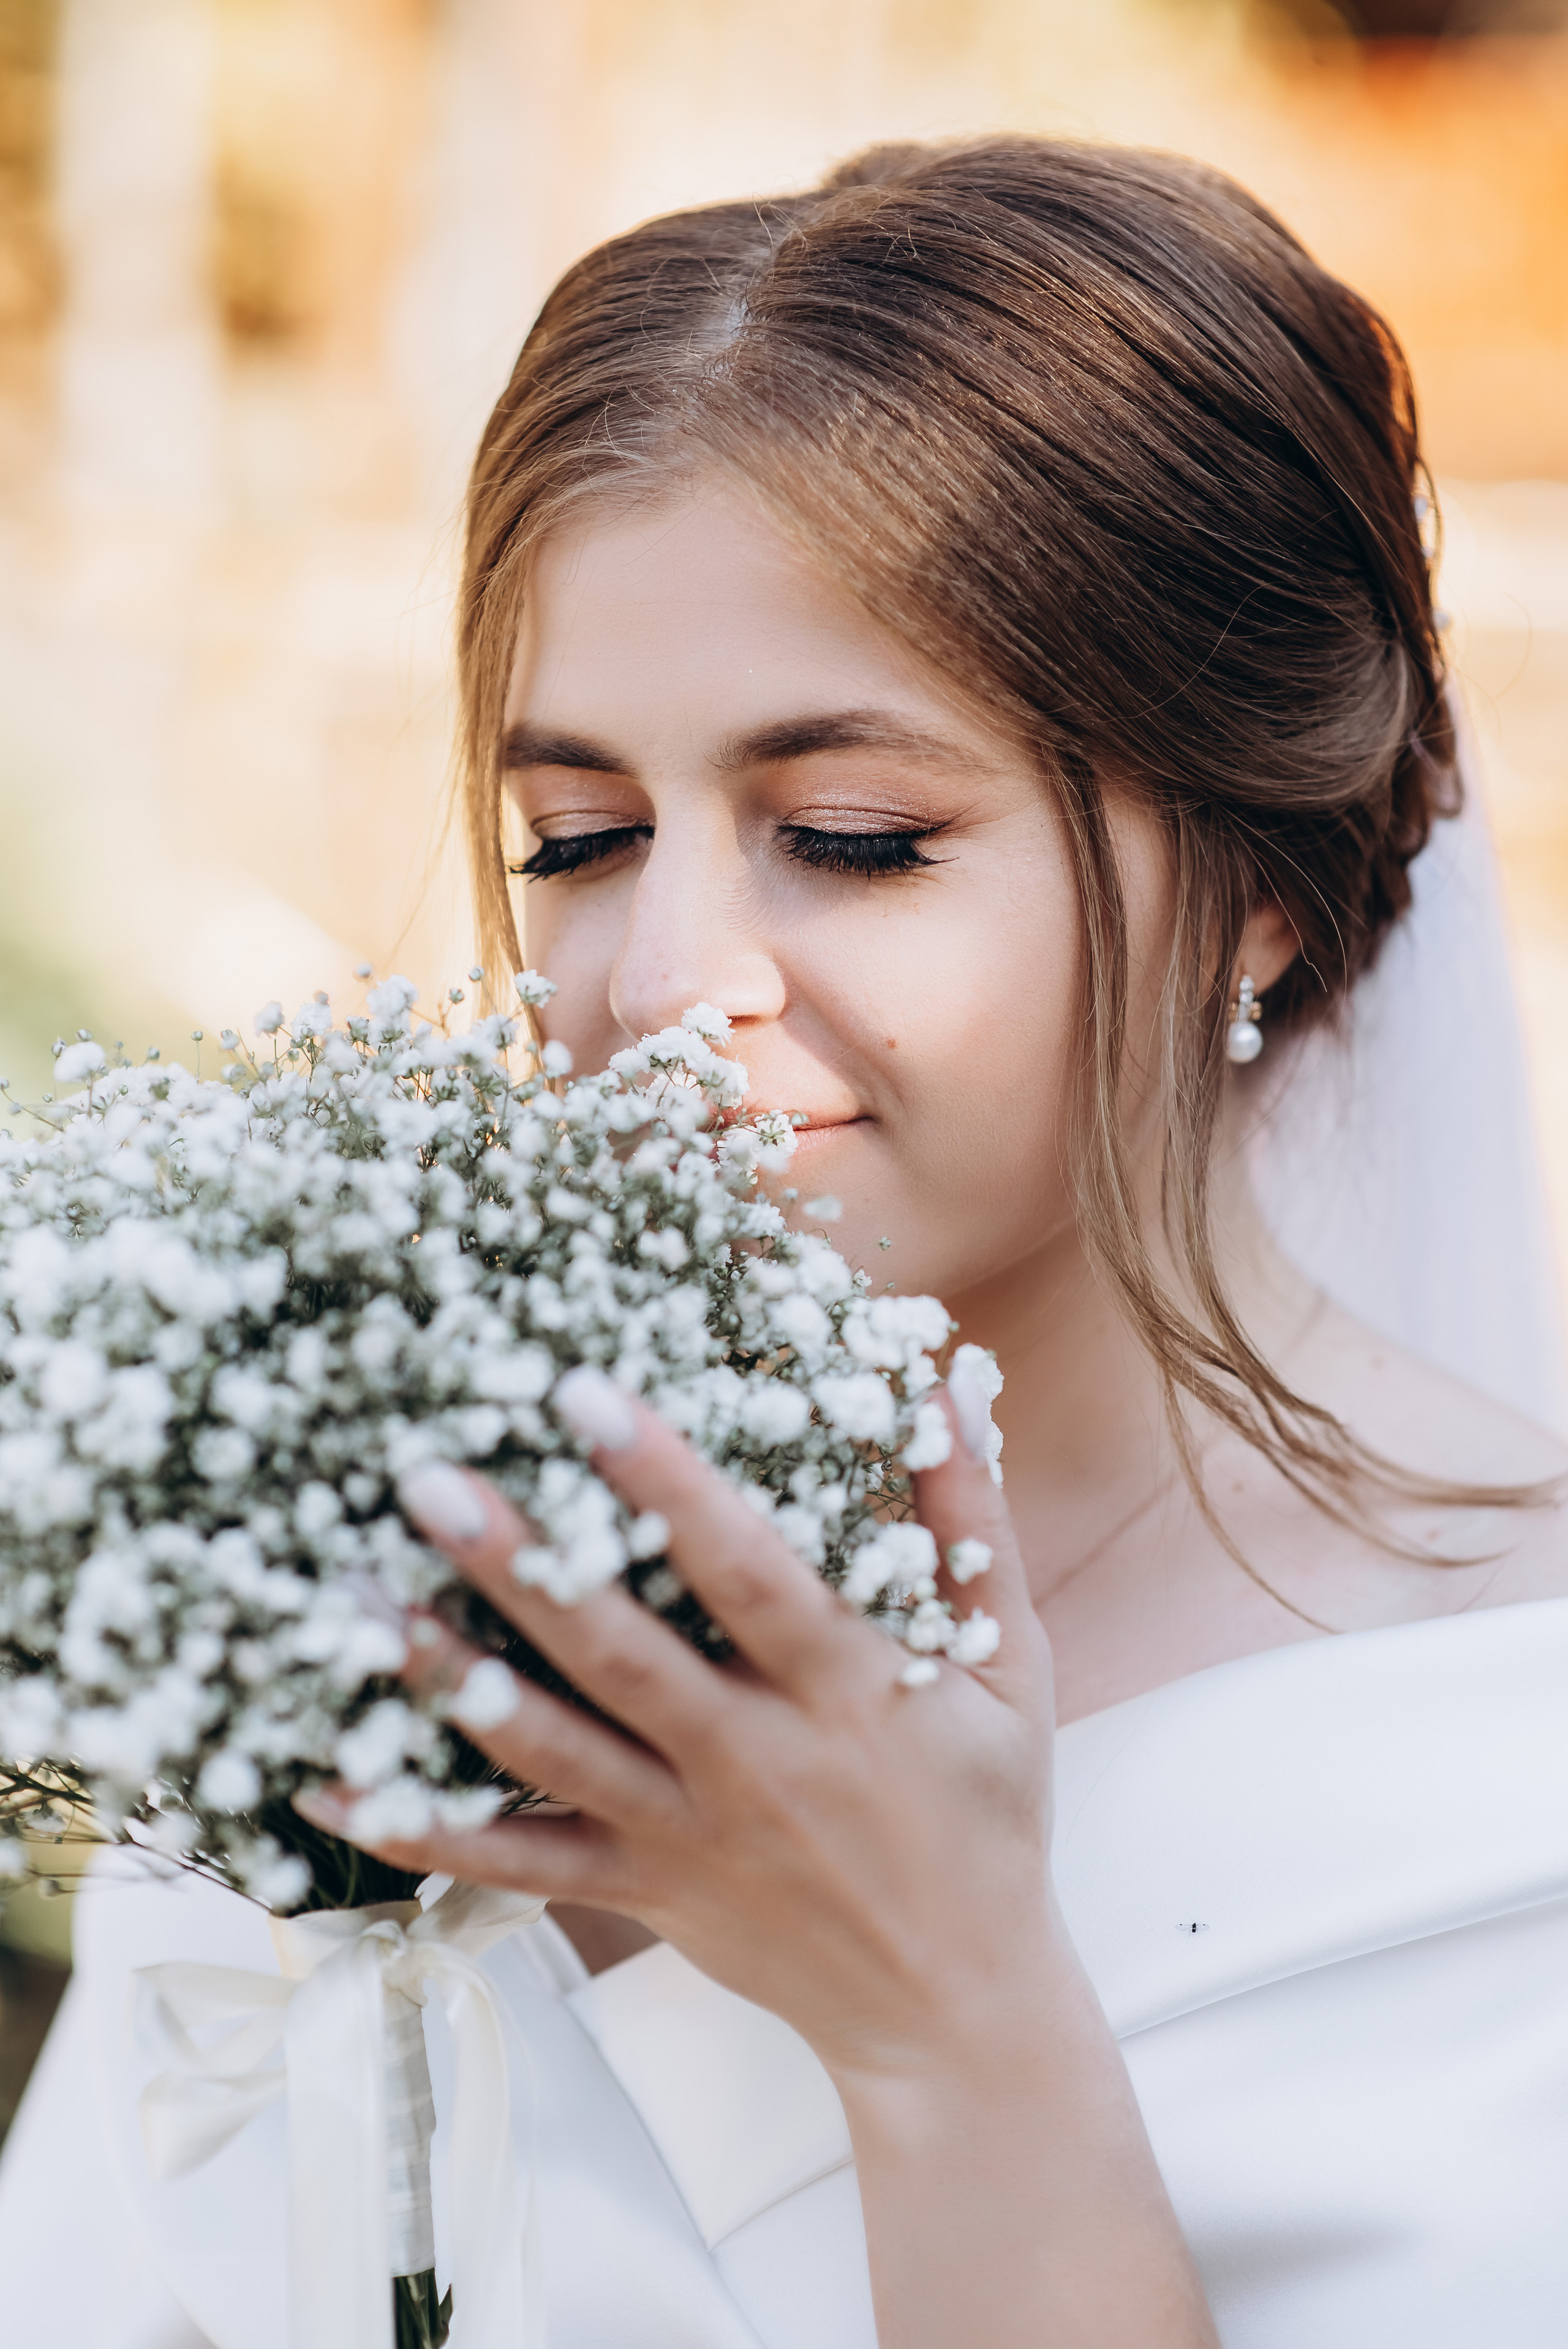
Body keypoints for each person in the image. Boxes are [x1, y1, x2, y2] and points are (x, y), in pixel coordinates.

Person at [4, 135, 1567, 2348]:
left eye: (851, 835)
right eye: (580, 839)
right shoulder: (337, 1572)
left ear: (1269, 874)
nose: (661, 979)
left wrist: (949, 2029)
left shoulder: (1516, 1781)